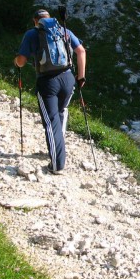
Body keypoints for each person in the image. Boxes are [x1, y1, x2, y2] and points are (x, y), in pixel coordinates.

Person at [14, 9, 86, 174]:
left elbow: (21, 61)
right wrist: (81, 77)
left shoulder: (32, 34)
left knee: (50, 121)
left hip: (47, 82)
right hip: (68, 78)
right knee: (61, 113)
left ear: (35, 21)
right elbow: (81, 51)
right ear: (50, 18)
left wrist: (16, 61)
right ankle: (56, 150)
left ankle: (57, 164)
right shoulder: (63, 30)